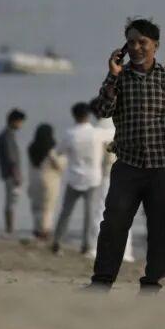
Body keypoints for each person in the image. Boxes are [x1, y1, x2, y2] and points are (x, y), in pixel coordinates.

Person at [89, 18, 165, 292]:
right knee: (114, 223)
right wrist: (113, 74)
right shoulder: (119, 79)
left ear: (156, 45)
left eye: (143, 42)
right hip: (128, 165)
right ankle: (102, 281)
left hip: (164, 168)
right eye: (131, 43)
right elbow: (103, 110)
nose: (137, 47)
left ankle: (152, 283)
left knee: (160, 229)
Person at [51, 102, 104, 254]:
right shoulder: (96, 133)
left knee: (66, 211)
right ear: (88, 116)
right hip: (92, 178)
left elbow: (58, 152)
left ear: (74, 116)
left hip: (74, 177)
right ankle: (86, 244)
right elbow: (113, 136)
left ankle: (57, 241)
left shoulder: (70, 134)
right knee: (89, 213)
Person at [88, 116, 134, 262]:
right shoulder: (128, 130)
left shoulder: (98, 132)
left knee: (102, 213)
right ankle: (125, 252)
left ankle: (96, 248)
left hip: (108, 178)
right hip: (127, 178)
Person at [26, 123, 64, 240]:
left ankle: (37, 230)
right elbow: (59, 166)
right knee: (47, 208)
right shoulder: (50, 150)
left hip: (34, 181)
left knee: (36, 207)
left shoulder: (31, 149)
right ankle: (45, 231)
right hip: (49, 182)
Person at [0, 108, 26, 235]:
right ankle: (10, 229)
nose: (21, 125)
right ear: (14, 121)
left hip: (9, 173)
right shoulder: (7, 135)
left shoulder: (6, 134)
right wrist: (16, 174)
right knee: (11, 202)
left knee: (11, 201)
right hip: (11, 174)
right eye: (20, 122)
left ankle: (10, 228)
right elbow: (11, 158)